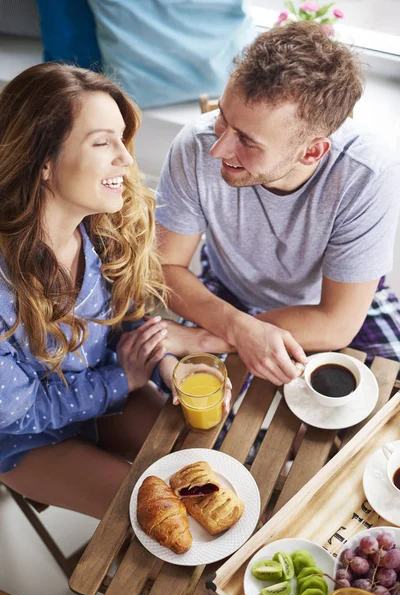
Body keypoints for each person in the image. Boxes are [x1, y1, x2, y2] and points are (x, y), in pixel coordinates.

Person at [0, 63, 227, 520]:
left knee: (210, 470)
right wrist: (122, 379)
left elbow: (127, 315)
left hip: (113, 387)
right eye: (102, 143)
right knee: (150, 515)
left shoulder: (104, 229)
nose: (125, 159)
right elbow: (16, 414)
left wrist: (162, 362)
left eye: (122, 138)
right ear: (43, 162)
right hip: (27, 435)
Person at [156, 21, 400, 386]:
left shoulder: (368, 173)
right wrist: (240, 328)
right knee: (196, 416)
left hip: (331, 308)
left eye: (247, 141)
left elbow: (336, 323)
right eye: (224, 117)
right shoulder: (194, 145)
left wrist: (210, 338)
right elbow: (165, 267)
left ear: (312, 151)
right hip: (227, 296)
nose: (217, 149)